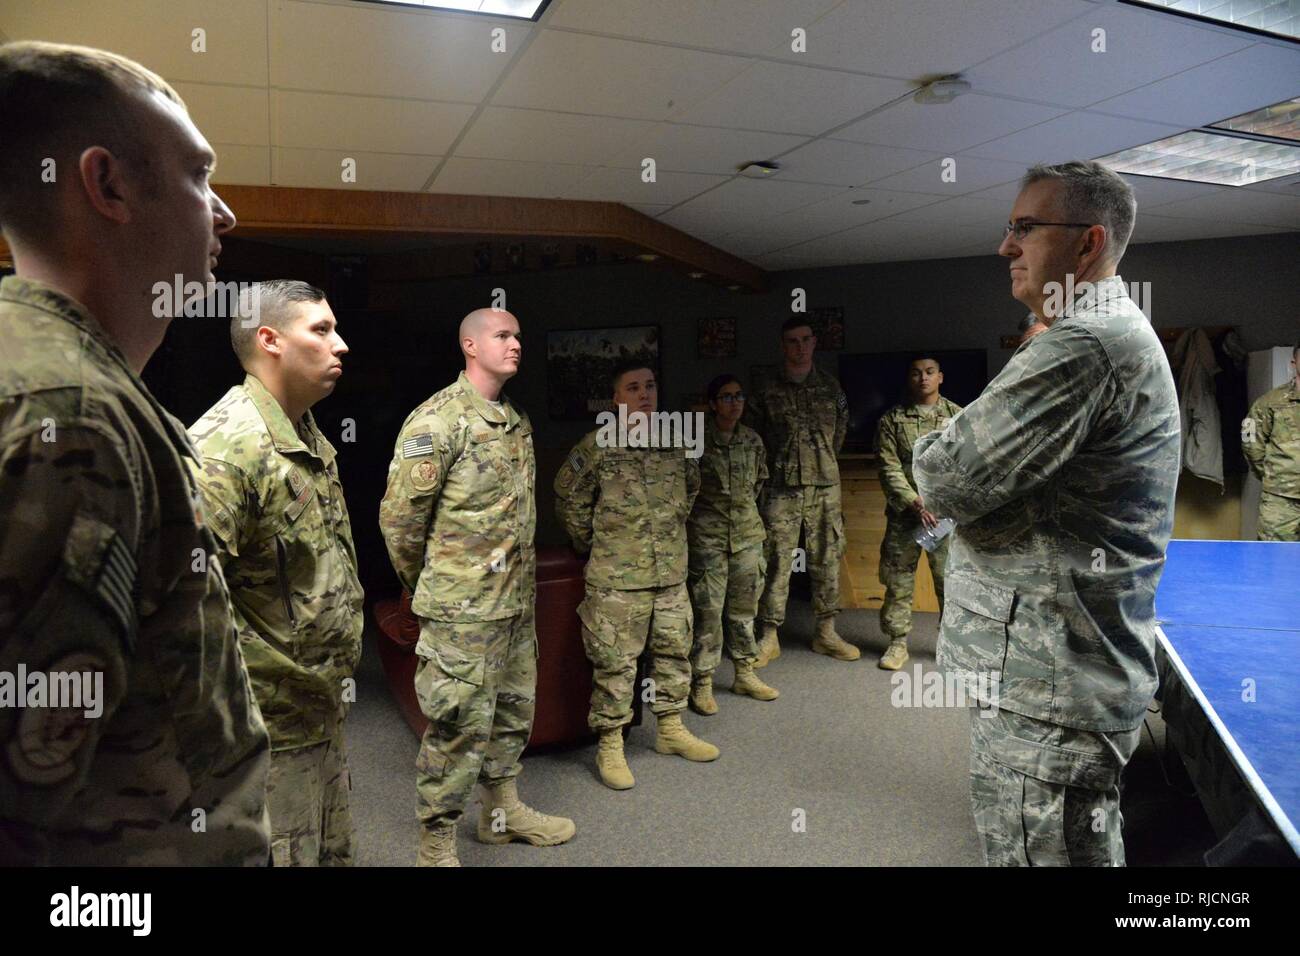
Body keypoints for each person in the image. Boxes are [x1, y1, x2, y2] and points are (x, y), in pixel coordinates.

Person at [0, 41, 270, 865]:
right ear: (107, 185)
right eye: (198, 175)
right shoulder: (73, 417)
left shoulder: (56, 373)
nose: (223, 213)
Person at [913, 160, 1180, 867]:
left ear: (1088, 244)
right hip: (1042, 674)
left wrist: (945, 459)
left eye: (1025, 228)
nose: (1006, 247)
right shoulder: (1096, 331)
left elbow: (944, 474)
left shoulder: (1083, 343)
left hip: (1051, 683)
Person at [380, 308, 574, 867]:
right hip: (461, 612)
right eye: (503, 335)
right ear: (469, 344)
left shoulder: (516, 421)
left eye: (519, 335)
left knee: (513, 712)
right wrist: (436, 589)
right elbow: (400, 524)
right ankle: (436, 840)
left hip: (513, 605)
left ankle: (501, 813)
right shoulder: (437, 423)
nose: (517, 344)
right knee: (457, 723)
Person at [189, 280, 364, 866]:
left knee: (330, 851)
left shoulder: (304, 431)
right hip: (268, 728)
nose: (340, 345)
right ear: (269, 340)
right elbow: (182, 610)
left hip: (320, 708)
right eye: (320, 330)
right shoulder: (226, 448)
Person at [555, 361, 719, 790]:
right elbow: (569, 500)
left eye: (649, 385)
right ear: (617, 398)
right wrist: (596, 545)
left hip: (669, 572)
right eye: (633, 387)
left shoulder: (678, 443)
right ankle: (610, 743)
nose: (644, 393)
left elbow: (690, 492)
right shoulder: (596, 446)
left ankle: (670, 728)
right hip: (615, 578)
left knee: (673, 651)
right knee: (614, 664)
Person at [744, 318, 854, 663]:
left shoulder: (831, 388)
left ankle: (826, 632)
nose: (800, 346)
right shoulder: (764, 389)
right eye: (792, 341)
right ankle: (769, 634)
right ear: (783, 346)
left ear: (814, 343)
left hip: (824, 485)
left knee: (827, 556)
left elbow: (841, 430)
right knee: (776, 559)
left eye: (806, 340)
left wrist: (822, 461)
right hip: (781, 487)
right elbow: (754, 439)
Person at [686, 374, 779, 714]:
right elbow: (685, 490)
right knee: (707, 613)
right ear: (712, 404)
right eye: (726, 397)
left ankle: (744, 672)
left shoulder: (752, 441)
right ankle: (702, 682)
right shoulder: (695, 441)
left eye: (739, 396)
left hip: (746, 537)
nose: (734, 402)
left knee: (744, 611)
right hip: (707, 539)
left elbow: (758, 484)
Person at [873, 355, 963, 670]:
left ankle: (951, 645)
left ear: (940, 377)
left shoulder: (959, 417)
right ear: (909, 379)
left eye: (929, 372)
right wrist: (915, 501)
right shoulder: (891, 421)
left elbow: (967, 466)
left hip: (944, 520)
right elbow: (888, 468)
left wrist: (940, 502)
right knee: (898, 579)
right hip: (905, 517)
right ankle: (897, 643)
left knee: (949, 580)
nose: (922, 378)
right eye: (915, 373)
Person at [1242, 344, 1299, 541]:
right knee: (1274, 560)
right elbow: (1251, 444)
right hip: (1281, 501)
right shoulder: (1269, 402)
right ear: (1294, 363)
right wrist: (1272, 476)